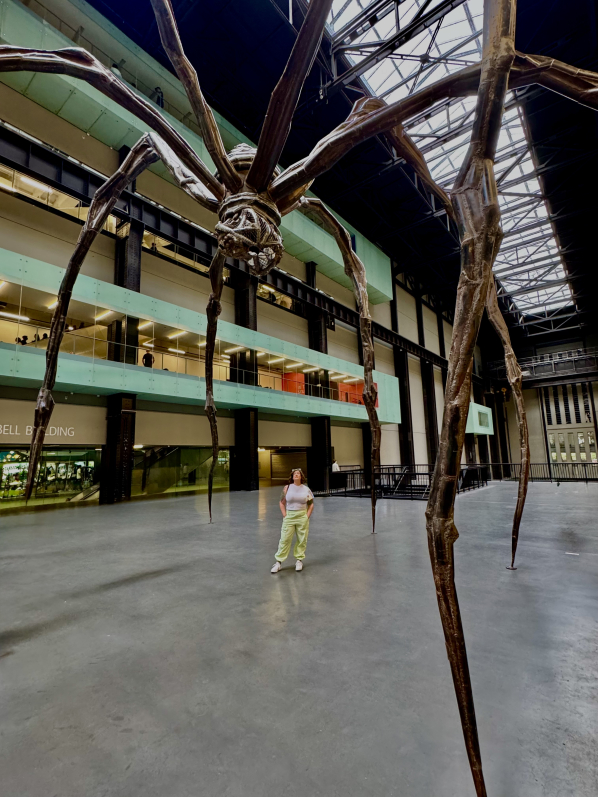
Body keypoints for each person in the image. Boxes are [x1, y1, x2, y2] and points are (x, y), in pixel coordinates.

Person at [271, 468, 314, 573]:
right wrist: (285, 515)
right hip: (289, 515)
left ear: (301, 476)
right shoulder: (287, 488)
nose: (296, 475)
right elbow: (282, 502)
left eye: (298, 473)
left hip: (302, 516)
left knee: (302, 539)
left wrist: (307, 516)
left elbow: (311, 504)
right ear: (292, 476)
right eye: (295, 473)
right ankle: (278, 562)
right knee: (285, 539)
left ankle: (299, 560)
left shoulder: (306, 489)